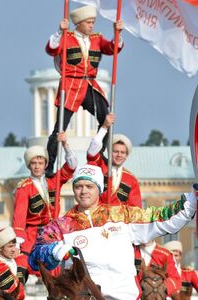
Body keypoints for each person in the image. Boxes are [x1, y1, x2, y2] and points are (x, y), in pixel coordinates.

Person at [20, 164, 198, 300]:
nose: (83, 191)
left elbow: (163, 217)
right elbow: (35, 255)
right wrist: (56, 250)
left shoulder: (121, 216)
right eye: (79, 186)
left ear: (98, 189)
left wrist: (192, 200)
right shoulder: (61, 226)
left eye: (89, 186)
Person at [44, 5, 124, 175]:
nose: (91, 25)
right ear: (79, 23)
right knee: (60, 129)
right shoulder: (67, 37)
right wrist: (59, 31)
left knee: (106, 119)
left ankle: (100, 155)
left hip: (90, 86)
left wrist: (118, 33)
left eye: (93, 22)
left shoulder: (97, 38)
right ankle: (49, 164)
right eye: (88, 22)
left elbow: (113, 48)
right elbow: (51, 49)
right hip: (71, 86)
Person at [13, 134, 77, 255]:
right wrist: (18, 244)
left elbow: (72, 165)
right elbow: (19, 219)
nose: (37, 166)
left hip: (54, 233)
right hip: (33, 236)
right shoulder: (24, 188)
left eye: (40, 163)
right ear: (29, 165)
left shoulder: (54, 181)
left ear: (45, 164)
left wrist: (65, 145)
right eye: (34, 163)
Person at [87, 115, 141, 206]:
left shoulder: (131, 179)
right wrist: (104, 127)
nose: (119, 155)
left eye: (122, 152)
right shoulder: (99, 167)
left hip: (118, 219)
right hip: (95, 216)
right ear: (109, 152)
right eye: (115, 151)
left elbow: (135, 207)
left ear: (126, 155)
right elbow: (92, 152)